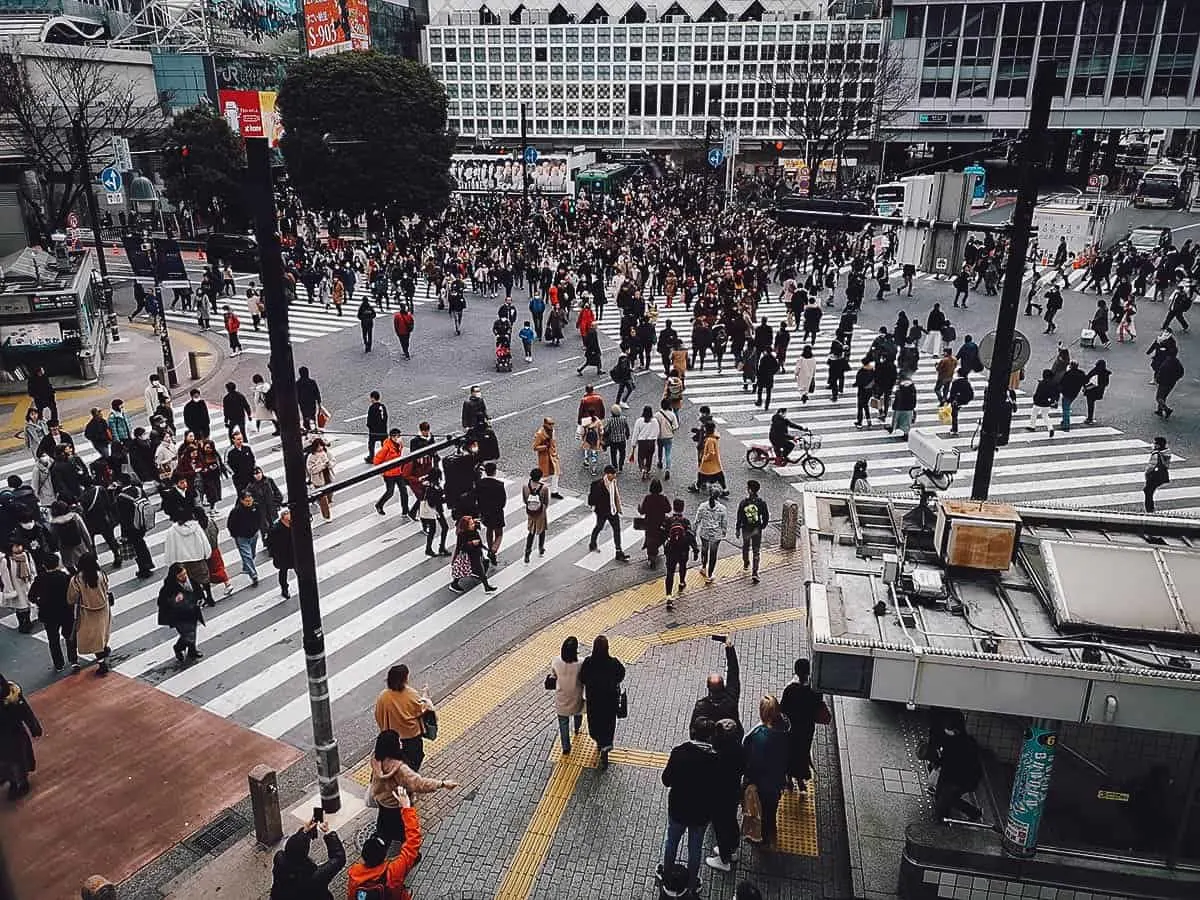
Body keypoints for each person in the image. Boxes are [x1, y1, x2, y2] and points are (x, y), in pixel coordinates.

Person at [660, 716, 719, 895]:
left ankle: (667, 875)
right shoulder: (715, 760)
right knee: (695, 848)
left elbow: (666, 780)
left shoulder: (679, 752)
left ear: (693, 732)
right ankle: (692, 883)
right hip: (701, 813)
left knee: (672, 842)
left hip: (678, 808)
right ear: (710, 737)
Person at [345, 798, 421, 900]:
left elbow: (351, 895)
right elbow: (413, 843)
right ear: (384, 855)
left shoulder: (354, 873)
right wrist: (407, 808)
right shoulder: (394, 871)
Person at [743, 695, 791, 845]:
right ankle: (771, 830)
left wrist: (748, 780)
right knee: (772, 809)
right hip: (777, 781)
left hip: (762, 784)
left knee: (759, 809)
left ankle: (761, 835)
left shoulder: (760, 737)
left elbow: (753, 763)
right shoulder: (786, 729)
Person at [779, 658, 827, 793]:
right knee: (803, 753)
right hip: (806, 730)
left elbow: (783, 709)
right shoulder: (815, 690)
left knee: (789, 753)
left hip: (791, 729)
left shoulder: (790, 689)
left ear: (796, 671)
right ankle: (800, 780)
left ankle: (788, 780)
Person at [374, 664, 434, 770]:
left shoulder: (382, 697)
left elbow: (378, 716)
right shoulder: (410, 694)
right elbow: (423, 709)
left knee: (395, 761)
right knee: (415, 759)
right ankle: (410, 778)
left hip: (392, 739)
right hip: (411, 736)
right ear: (404, 679)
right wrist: (425, 695)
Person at [578, 634, 625, 769]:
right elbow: (621, 673)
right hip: (610, 702)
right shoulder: (613, 663)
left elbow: (582, 678)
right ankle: (606, 744)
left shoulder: (588, 662)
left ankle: (599, 742)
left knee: (595, 722)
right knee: (609, 723)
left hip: (594, 701)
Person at [268, 818, 345, 900]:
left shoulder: (280, 862)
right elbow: (339, 858)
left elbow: (294, 846)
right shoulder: (316, 877)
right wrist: (328, 833)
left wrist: (304, 831)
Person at [929, 712, 983, 822]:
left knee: (946, 799)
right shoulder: (963, 740)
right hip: (953, 777)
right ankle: (973, 812)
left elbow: (949, 762)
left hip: (960, 779)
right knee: (945, 797)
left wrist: (938, 762)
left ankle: (945, 820)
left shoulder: (961, 744)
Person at [28, 553, 76, 671]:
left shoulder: (40, 579)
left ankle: (58, 664)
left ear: (44, 566)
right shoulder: (65, 577)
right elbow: (73, 594)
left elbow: (31, 596)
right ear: (58, 564)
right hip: (66, 612)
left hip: (48, 614)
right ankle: (73, 660)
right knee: (69, 636)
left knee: (53, 640)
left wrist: (40, 603)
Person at [67, 553, 112, 674]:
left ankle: (101, 663)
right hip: (103, 610)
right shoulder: (102, 575)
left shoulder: (76, 580)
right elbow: (106, 588)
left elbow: (71, 598)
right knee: (102, 632)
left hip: (86, 611)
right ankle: (103, 651)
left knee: (90, 636)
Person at [0, 673, 42, 800]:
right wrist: (34, 727)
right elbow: (26, 712)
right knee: (12, 760)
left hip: (14, 734)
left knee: (16, 760)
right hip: (12, 733)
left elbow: (25, 712)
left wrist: (34, 727)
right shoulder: (13, 696)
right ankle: (15, 781)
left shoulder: (12, 698)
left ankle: (20, 782)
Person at [663, 498, 699, 611]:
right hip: (683, 550)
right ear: (683, 508)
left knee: (670, 572)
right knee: (683, 566)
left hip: (671, 551)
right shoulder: (686, 521)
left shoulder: (668, 521)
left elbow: (662, 534)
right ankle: (682, 582)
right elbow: (691, 536)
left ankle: (669, 596)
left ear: (674, 507)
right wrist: (695, 549)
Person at [551, 636, 585, 754]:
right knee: (578, 714)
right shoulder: (581, 662)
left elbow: (554, 675)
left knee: (563, 724)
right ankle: (577, 728)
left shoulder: (556, 661)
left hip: (561, 700)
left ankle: (566, 747)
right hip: (576, 698)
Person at [587, 465, 629, 561]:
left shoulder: (613, 482)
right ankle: (592, 543)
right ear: (607, 474)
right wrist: (595, 507)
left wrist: (618, 508)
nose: (615, 475)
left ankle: (619, 551)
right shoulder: (597, 484)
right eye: (613, 474)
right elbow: (593, 498)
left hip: (612, 510)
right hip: (602, 512)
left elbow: (615, 495)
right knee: (599, 527)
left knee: (617, 529)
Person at [449, 513, 496, 592]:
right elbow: (461, 547)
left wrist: (486, 549)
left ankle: (486, 587)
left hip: (476, 553)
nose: (473, 525)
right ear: (466, 526)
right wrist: (471, 543)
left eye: (473, 523)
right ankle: (455, 583)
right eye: (471, 524)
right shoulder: (462, 534)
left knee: (482, 566)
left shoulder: (474, 531)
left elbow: (479, 542)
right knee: (463, 570)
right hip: (468, 556)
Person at [373, 429, 413, 518]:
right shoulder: (386, 447)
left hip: (398, 472)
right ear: (391, 437)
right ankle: (379, 504)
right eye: (394, 436)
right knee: (390, 492)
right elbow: (376, 460)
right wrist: (382, 471)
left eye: (398, 436)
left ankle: (405, 511)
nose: (397, 438)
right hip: (389, 474)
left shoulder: (400, 444)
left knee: (404, 491)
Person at [0, 539, 37, 634]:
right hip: (16, 587)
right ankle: (22, 624)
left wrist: (33, 580)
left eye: (19, 545)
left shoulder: (26, 555)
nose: (18, 548)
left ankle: (27, 622)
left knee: (27, 606)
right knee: (20, 607)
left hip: (26, 584)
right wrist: (10, 590)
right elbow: (5, 576)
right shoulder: (6, 560)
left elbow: (32, 568)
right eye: (15, 546)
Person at [736, 480, 769, 584]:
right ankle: (755, 572)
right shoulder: (761, 502)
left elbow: (739, 517)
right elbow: (766, 516)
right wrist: (762, 526)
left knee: (745, 547)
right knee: (756, 550)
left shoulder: (744, 502)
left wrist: (737, 529)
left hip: (746, 529)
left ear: (750, 490)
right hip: (756, 529)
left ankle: (746, 563)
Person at [694, 487, 727, 585]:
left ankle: (703, 567)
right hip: (716, 534)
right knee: (713, 553)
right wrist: (723, 532)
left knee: (704, 549)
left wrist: (694, 530)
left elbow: (697, 520)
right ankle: (710, 574)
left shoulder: (702, 506)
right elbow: (724, 523)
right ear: (719, 496)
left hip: (704, 532)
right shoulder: (722, 508)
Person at [227, 492, 261, 588]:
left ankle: (247, 567)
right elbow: (230, 525)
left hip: (253, 535)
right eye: (247, 501)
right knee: (247, 555)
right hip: (242, 537)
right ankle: (253, 575)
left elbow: (259, 518)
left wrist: (257, 528)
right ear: (242, 501)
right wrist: (236, 535)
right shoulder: (236, 511)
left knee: (252, 554)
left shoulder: (256, 507)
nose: (249, 502)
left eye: (250, 500)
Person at [638, 477, 671, 568]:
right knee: (659, 538)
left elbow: (642, 511)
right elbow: (668, 509)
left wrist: (639, 508)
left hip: (649, 523)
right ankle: (655, 553)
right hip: (660, 523)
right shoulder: (663, 498)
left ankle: (651, 557)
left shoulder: (648, 498)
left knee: (650, 539)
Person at [477, 461, 506, 565]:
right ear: (495, 471)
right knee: (499, 534)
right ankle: (492, 550)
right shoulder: (499, 485)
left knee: (489, 530)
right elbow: (503, 501)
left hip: (485, 512)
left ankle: (490, 548)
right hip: (497, 512)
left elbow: (478, 499)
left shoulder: (480, 483)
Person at [522, 467, 550, 563]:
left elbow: (525, 500)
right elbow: (546, 501)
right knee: (542, 530)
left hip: (530, 511)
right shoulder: (544, 488)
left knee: (531, 532)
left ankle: (527, 552)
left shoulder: (526, 486)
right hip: (540, 512)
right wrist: (542, 508)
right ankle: (541, 547)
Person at [532, 417, 564, 500]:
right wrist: (545, 446)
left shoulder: (552, 431)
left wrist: (556, 453)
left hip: (553, 456)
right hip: (545, 457)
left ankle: (554, 491)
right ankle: (534, 489)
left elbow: (553, 443)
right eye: (550, 424)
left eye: (553, 424)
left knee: (556, 473)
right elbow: (535, 447)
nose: (552, 426)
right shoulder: (540, 434)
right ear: (545, 424)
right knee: (544, 476)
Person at [267, 509, 296, 598]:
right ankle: (284, 589)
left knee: (299, 570)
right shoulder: (276, 529)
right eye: (287, 513)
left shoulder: (294, 524)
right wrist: (274, 554)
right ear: (283, 517)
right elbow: (270, 542)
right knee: (283, 571)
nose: (289, 515)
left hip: (293, 552)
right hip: (282, 554)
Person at [306, 437, 335, 522]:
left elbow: (333, 461)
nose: (320, 448)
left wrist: (329, 464)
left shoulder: (327, 452)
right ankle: (327, 516)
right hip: (318, 480)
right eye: (318, 447)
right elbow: (311, 470)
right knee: (323, 498)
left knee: (329, 495)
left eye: (321, 446)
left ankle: (321, 501)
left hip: (328, 477)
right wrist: (321, 466)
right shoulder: (311, 457)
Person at [1029, 369, 1059, 437]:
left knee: (1034, 413)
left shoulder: (1041, 383)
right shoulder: (1053, 384)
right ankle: (1050, 428)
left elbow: (1037, 393)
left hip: (1039, 402)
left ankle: (1032, 426)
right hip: (1047, 403)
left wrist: (1035, 399)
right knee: (1045, 416)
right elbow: (1055, 393)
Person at [1155, 349, 1184, 419]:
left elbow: (1161, 372)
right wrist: (1176, 378)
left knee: (1159, 397)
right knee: (1163, 396)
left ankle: (1167, 409)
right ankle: (1160, 410)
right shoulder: (1177, 362)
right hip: (1171, 382)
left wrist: (1157, 379)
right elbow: (1181, 372)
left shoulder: (1166, 362)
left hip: (1164, 382)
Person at [654, 399, 679, 480]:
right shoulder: (672, 415)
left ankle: (660, 462)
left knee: (660, 450)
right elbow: (675, 426)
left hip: (659, 436)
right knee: (668, 453)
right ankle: (667, 469)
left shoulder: (657, 414)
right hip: (669, 436)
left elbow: (654, 425)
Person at [1145, 436, 1170, 513]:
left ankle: (1150, 510)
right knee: (1148, 491)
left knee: (1148, 491)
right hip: (1162, 475)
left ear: (1158, 445)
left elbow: (1151, 466)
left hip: (1154, 476)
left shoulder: (1156, 454)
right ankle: (1150, 509)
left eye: (1154, 443)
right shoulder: (1165, 453)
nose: (1153, 444)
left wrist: (1146, 474)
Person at [1082, 359, 1110, 424]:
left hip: (1091, 391)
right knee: (1092, 404)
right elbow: (1106, 383)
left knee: (1090, 405)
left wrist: (1085, 388)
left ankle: (1089, 418)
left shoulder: (1095, 371)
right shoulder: (1106, 373)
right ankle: (1090, 418)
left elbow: (1087, 379)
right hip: (1100, 391)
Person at [296, 366, 322, 432]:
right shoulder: (312, 382)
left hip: (303, 403)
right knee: (313, 414)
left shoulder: (298, 383)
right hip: (311, 402)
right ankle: (315, 427)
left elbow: (296, 394)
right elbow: (317, 393)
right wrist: (319, 403)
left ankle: (307, 428)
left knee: (305, 415)